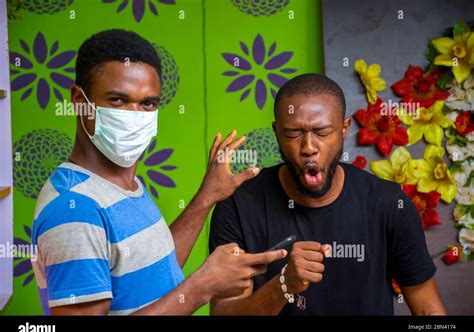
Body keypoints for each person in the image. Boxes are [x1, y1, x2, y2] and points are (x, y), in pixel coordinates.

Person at [31, 29, 287, 316]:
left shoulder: (124, 184)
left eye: (148, 103)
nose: (134, 115)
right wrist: (202, 286)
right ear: (79, 101)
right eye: (118, 100)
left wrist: (206, 196)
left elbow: (154, 272)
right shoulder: (74, 209)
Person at [209, 73, 447, 315]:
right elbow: (224, 312)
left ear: (344, 129)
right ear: (277, 132)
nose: (309, 147)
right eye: (293, 134)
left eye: (322, 133)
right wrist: (283, 286)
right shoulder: (238, 206)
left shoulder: (388, 204)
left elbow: (429, 311)